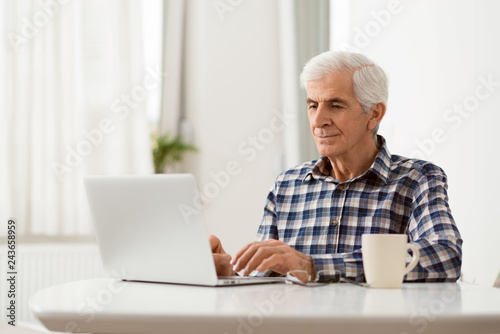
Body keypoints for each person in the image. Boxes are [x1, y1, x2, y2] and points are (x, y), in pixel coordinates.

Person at [210, 51, 462, 282]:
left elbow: (445, 256)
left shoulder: (417, 178)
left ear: (374, 114)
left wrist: (313, 266)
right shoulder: (287, 185)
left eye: (335, 105)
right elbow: (265, 277)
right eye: (312, 105)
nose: (318, 120)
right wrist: (230, 273)